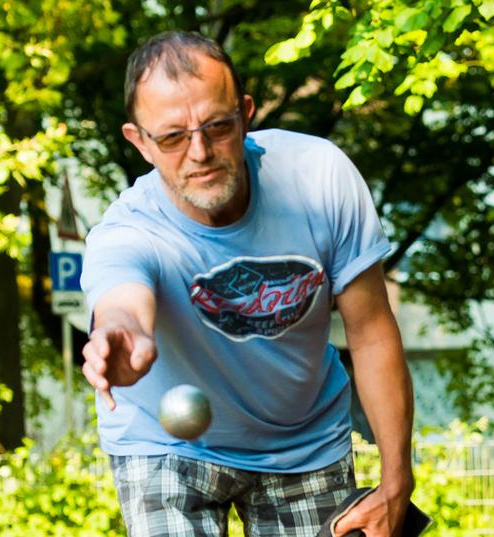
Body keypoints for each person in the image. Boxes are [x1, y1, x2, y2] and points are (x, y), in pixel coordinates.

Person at [80, 31, 414, 537]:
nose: (200, 153)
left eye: (217, 126)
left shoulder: (318, 178)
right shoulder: (127, 229)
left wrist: (396, 484)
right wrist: (123, 335)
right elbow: (123, 301)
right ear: (139, 142)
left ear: (247, 114)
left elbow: (370, 333)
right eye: (172, 137)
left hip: (303, 438)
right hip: (166, 442)